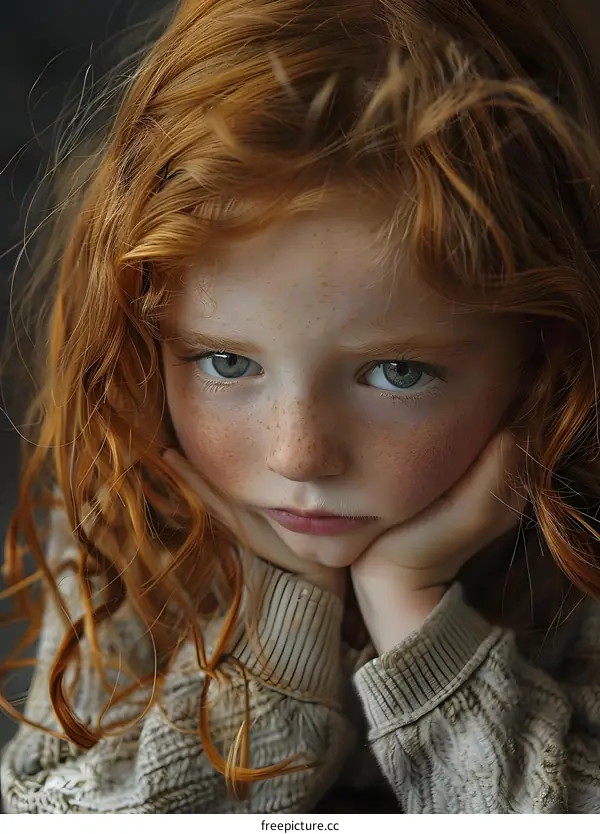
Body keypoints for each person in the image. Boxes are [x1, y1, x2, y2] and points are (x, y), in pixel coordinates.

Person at [1, 0, 600, 814]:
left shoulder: (580, 548)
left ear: (543, 357)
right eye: (225, 361)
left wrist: (417, 613)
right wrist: (272, 618)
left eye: (396, 372)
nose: (296, 456)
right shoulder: (133, 505)